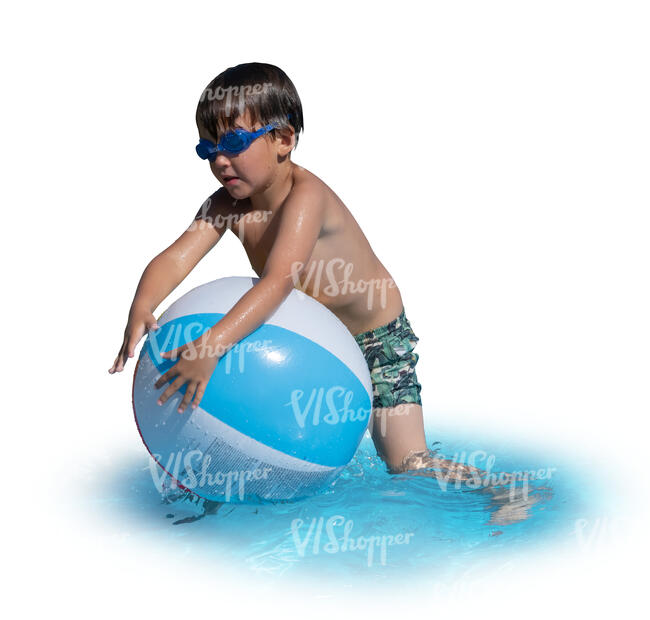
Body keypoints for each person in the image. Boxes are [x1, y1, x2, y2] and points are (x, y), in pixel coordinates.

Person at [108, 62, 477, 479]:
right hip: (309, 340)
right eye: (208, 149)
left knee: (407, 463)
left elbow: (279, 279)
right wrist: (143, 303)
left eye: (233, 142)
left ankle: (502, 489)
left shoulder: (306, 197)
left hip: (374, 336)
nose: (220, 161)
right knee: (259, 439)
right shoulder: (224, 206)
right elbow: (177, 257)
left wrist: (211, 346)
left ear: (283, 139)